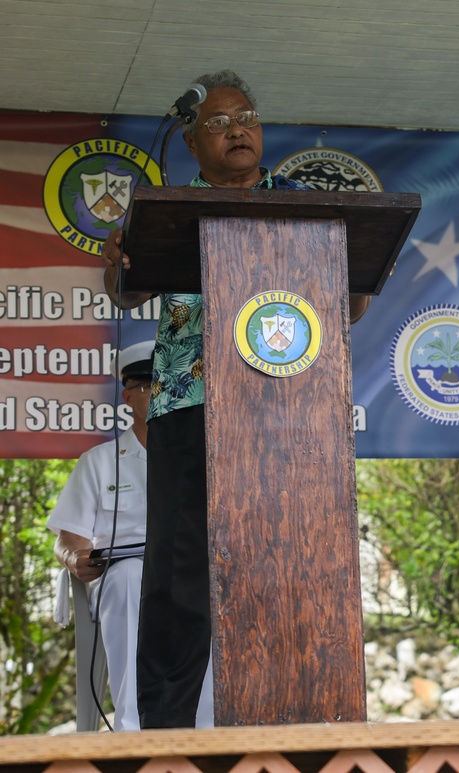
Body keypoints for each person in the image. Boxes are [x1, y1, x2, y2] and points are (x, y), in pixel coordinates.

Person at [99, 69, 371, 728]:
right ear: (192, 142)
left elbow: (351, 301)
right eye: (217, 122)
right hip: (191, 407)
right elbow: (126, 293)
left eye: (245, 115)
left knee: (293, 570)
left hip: (292, 413)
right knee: (179, 577)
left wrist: (355, 270)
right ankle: (164, 742)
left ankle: (304, 729)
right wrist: (118, 260)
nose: (237, 129)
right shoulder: (168, 206)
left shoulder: (305, 202)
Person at [47, 341, 211, 730]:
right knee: (128, 581)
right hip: (124, 571)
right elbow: (67, 539)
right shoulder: (100, 462)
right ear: (129, 397)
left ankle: (208, 729)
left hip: (190, 570)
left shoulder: (205, 458)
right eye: (149, 386)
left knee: (209, 590)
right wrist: (75, 559)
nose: (160, 397)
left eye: (167, 387)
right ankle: (134, 728)